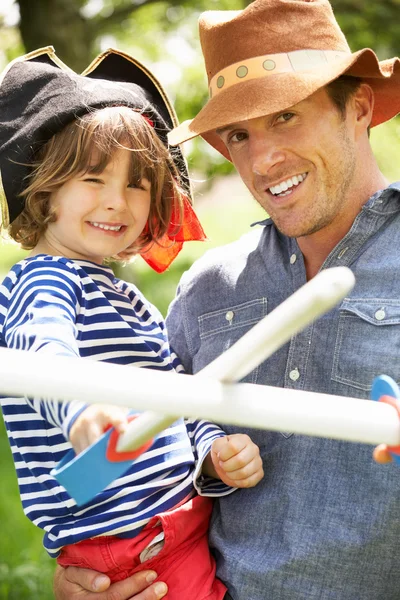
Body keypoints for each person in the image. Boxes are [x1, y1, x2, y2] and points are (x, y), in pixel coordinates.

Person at [53, 0, 400, 598]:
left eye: (286, 115)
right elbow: (151, 463)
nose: (261, 160)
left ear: (359, 106)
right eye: (239, 134)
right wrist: (97, 574)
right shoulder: (207, 287)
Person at [0, 47, 264, 600]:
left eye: (137, 185)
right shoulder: (44, 281)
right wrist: (81, 412)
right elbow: (36, 353)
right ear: (45, 187)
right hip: (129, 543)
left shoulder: (124, 297)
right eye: (93, 179)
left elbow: (176, 396)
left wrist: (213, 451)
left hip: (173, 522)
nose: (117, 202)